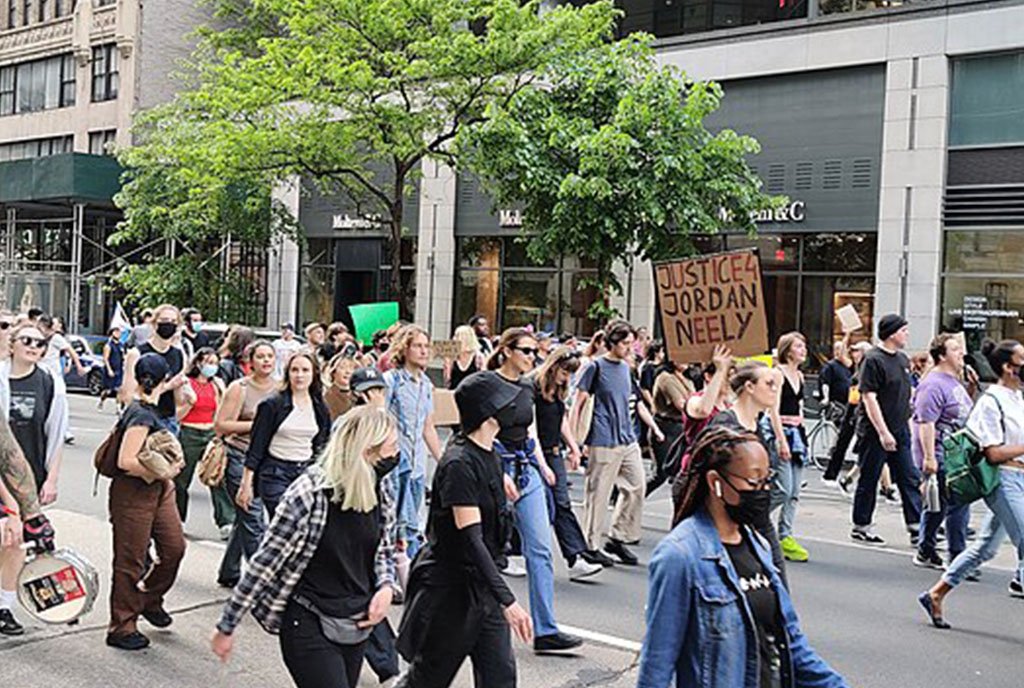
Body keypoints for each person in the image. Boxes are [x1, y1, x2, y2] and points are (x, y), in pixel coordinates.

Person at [638, 426, 848, 688]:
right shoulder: (679, 556)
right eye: (752, 482)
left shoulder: (759, 545)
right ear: (715, 482)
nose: (762, 491)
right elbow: (657, 663)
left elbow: (793, 645)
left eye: (766, 481)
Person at [212, 406, 399, 688]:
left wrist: (386, 586)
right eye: (391, 447)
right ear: (366, 451)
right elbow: (265, 562)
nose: (396, 455)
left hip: (355, 624)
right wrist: (227, 625)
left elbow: (383, 548)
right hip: (308, 621)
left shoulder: (379, 488)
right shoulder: (308, 494)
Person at [395, 372, 533, 688]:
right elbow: (471, 540)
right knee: (428, 679)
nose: (514, 406)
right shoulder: (459, 463)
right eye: (506, 401)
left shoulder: (491, 453)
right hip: (451, 594)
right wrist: (508, 601)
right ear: (488, 412)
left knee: (500, 679)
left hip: (483, 589)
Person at [486, 329, 583, 652]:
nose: (532, 356)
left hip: (527, 471)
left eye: (533, 351)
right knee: (484, 550)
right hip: (496, 470)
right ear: (506, 351)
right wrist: (498, 473)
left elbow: (531, 433)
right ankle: (472, 620)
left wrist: (542, 466)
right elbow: (477, 436)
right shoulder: (485, 385)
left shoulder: (527, 388)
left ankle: (545, 630)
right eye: (525, 350)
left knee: (540, 549)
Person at [919, 339, 1024, 629]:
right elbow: (992, 452)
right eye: (1022, 359)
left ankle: (935, 594)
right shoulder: (992, 401)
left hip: (1020, 478)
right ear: (1007, 367)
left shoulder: (1019, 398)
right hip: (1003, 479)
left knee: (985, 549)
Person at [107, 353, 187, 651]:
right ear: (164, 378)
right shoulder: (140, 414)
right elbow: (126, 461)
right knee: (131, 560)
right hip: (134, 491)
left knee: (174, 547)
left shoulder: (145, 403)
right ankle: (122, 625)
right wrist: (163, 470)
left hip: (159, 489)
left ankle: (149, 599)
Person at [570, 320, 662, 566]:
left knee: (637, 486)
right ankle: (591, 545)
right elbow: (578, 404)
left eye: (631, 343)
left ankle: (617, 536)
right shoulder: (595, 368)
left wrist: (653, 426)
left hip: (627, 437)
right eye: (625, 343)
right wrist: (575, 443)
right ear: (612, 343)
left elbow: (635, 400)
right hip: (603, 438)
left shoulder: (626, 368)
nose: (629, 347)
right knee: (598, 495)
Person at [0, 322, 67, 636]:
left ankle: (5, 607)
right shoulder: (0, 377)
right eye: (26, 340)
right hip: (6, 481)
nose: (34, 347)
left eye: (41, 343)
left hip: (27, 479)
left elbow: (55, 433)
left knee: (14, 544)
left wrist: (50, 480)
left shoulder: (49, 382)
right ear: (11, 343)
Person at [706, 360, 789, 584]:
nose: (774, 389)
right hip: (728, 519)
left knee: (777, 582)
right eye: (769, 384)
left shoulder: (759, 424)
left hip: (758, 516)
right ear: (750, 387)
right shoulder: (724, 425)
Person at [533, 346, 605, 578]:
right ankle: (508, 550)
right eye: (565, 372)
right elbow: (530, 428)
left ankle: (575, 557)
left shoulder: (559, 390)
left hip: (553, 452)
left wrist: (573, 447)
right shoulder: (533, 387)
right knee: (537, 506)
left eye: (570, 373)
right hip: (535, 453)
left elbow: (560, 419)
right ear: (553, 367)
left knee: (561, 504)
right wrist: (541, 463)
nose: (567, 378)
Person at [851, 314, 922, 545]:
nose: (907, 334)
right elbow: (869, 398)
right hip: (875, 431)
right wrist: (883, 432)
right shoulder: (873, 360)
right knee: (870, 477)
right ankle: (861, 525)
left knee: (909, 476)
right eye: (904, 330)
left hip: (900, 428)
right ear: (892, 333)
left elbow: (906, 393)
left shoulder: (902, 359)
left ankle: (915, 525)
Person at [215, 341, 278, 588]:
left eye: (269, 356)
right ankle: (261, 583)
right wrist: (259, 425)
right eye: (260, 356)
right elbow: (221, 425)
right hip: (240, 456)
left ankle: (229, 571)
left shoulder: (281, 388)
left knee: (246, 518)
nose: (265, 361)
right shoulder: (238, 388)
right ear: (250, 361)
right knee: (253, 518)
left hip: (271, 460)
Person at [241, 351, 332, 518]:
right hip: (275, 472)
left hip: (305, 472)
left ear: (314, 374)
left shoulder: (320, 407)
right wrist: (246, 483)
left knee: (302, 525)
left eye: (305, 370)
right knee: (284, 520)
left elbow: (323, 444)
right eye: (294, 370)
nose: (299, 376)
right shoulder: (272, 404)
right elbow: (256, 446)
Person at [911, 333, 973, 570]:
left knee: (938, 505)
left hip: (957, 453)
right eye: (955, 349)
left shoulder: (954, 381)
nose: (961, 353)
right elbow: (925, 422)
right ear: (942, 356)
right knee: (959, 502)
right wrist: (929, 458)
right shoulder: (932, 384)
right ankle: (958, 556)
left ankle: (926, 550)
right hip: (941, 453)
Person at [384, 325, 443, 558]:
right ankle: (407, 577)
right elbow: (381, 419)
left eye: (426, 346)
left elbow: (428, 427)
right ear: (405, 348)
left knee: (410, 520)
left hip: (419, 466)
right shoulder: (392, 380)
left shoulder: (426, 385)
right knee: (405, 526)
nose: (423, 351)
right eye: (417, 346)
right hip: (397, 463)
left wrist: (443, 460)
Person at [175, 347, 228, 532]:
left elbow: (221, 410)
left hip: (210, 433)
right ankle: (177, 520)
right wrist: (189, 403)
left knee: (217, 477)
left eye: (215, 363)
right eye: (208, 362)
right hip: (189, 433)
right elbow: (177, 415)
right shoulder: (185, 383)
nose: (212, 367)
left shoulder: (218, 384)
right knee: (181, 480)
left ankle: (225, 521)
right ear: (198, 363)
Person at [770, 332, 811, 563]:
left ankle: (785, 535)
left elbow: (800, 406)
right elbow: (773, 410)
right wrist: (780, 440)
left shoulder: (801, 376)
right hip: (783, 431)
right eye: (798, 346)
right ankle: (754, 519)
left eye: (803, 345)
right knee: (783, 488)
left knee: (794, 491)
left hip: (797, 432)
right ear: (787, 350)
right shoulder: (778, 374)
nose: (803, 349)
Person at [120, 304, 190, 436]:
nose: (169, 325)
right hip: (142, 419)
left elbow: (179, 399)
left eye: (173, 322)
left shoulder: (179, 355)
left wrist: (186, 393)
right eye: (164, 321)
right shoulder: (137, 353)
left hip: (168, 420)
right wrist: (167, 386)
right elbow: (128, 396)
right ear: (154, 324)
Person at [823, 341, 872, 485]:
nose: (854, 354)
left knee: (865, 446)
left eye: (858, 351)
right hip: (852, 407)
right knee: (843, 441)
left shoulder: (867, 368)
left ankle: (883, 484)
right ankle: (832, 475)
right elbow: (842, 354)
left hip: (861, 409)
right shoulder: (856, 368)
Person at [645, 361, 695, 497]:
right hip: (666, 427)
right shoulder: (665, 378)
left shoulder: (687, 379)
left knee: (682, 471)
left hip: (681, 427)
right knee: (661, 473)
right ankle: (627, 495)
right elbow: (681, 404)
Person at [37, 313, 83, 444]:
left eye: (40, 326)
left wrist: (78, 366)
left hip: (54, 375)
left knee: (58, 400)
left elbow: (71, 351)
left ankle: (65, 430)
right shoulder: (40, 338)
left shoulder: (56, 338)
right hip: (41, 372)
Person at [446, 324, 484, 390]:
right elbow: (447, 379)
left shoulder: (478, 357)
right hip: (454, 393)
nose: (454, 338)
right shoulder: (451, 357)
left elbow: (483, 378)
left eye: (457, 336)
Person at [324, 353, 360, 422]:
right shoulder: (328, 396)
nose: (348, 372)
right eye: (342, 367)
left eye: (351, 368)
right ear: (333, 371)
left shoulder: (358, 396)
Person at [99, 325, 125, 412]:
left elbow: (123, 356)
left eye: (119, 332)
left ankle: (118, 407)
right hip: (111, 369)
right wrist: (109, 369)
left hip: (119, 369)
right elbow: (105, 358)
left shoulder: (121, 345)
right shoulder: (108, 345)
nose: (118, 334)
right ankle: (102, 401)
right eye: (116, 332)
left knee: (119, 389)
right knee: (108, 390)